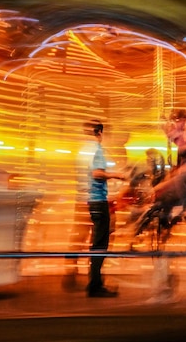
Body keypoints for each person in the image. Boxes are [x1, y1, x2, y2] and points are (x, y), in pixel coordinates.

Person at [63, 120, 126, 297]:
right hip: (97, 200)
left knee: (79, 236)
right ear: (99, 133)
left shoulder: (81, 151)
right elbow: (97, 173)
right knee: (99, 243)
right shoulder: (97, 150)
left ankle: (70, 274)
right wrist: (117, 175)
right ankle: (95, 285)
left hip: (82, 200)